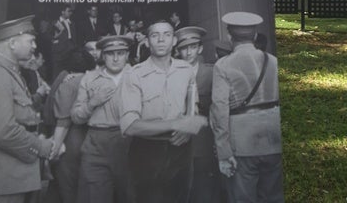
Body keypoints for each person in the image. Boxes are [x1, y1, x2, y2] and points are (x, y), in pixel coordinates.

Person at [0, 15, 57, 203]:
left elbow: (23, 116)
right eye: (31, 41)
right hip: (0, 178)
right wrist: (39, 146)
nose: (35, 47)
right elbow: (2, 130)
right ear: (13, 43)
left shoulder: (9, 72)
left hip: (12, 176)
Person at [119, 20, 207, 203]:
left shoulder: (186, 70)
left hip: (181, 150)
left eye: (167, 35)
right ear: (147, 42)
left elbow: (192, 108)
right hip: (147, 152)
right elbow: (129, 126)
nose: (161, 40)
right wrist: (176, 124)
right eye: (154, 35)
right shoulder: (134, 74)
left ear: (174, 41)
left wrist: (188, 130)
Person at [211, 12, 283, 203]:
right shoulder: (274, 61)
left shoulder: (223, 65)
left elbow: (219, 110)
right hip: (275, 137)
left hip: (242, 142)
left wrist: (224, 153)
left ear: (229, 37)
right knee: (274, 196)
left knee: (242, 197)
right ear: (254, 36)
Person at [71, 36, 134, 203]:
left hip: (130, 143)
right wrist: (92, 103)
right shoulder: (89, 78)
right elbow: (76, 117)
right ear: (102, 56)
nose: (115, 58)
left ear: (127, 55)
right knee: (94, 196)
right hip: (96, 145)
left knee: (132, 195)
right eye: (110, 53)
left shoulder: (138, 76)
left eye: (120, 53)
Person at [43, 41, 99, 203]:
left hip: (69, 141)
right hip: (87, 139)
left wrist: (53, 151)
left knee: (68, 186)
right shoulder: (92, 81)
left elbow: (63, 122)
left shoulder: (66, 82)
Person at [174, 26, 224, 203]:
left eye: (193, 47)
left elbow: (220, 107)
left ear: (200, 49)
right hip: (178, 139)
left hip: (204, 138)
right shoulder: (171, 74)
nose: (188, 52)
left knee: (204, 186)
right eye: (183, 48)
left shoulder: (211, 73)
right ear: (178, 51)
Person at [51, 5, 78, 81]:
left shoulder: (72, 23)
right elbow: (51, 36)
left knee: (69, 69)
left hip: (70, 48)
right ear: (62, 12)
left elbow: (74, 37)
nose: (70, 13)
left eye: (71, 11)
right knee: (58, 71)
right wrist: (54, 40)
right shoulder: (55, 23)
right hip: (60, 49)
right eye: (68, 11)